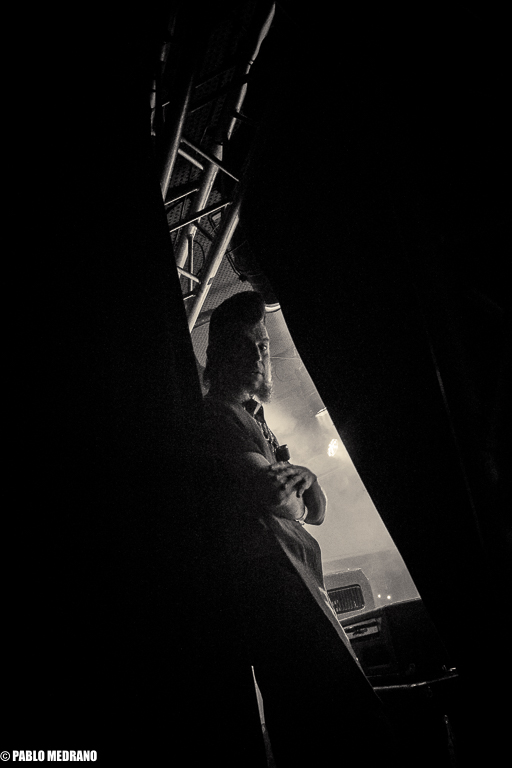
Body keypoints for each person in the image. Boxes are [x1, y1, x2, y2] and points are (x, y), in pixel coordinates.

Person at [199, 291, 403, 767]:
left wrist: (307, 478)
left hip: (297, 591)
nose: (259, 356)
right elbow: (278, 497)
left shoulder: (255, 420)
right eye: (246, 345)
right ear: (221, 355)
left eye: (264, 345)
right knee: (325, 726)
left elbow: (317, 511)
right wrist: (299, 487)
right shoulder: (218, 417)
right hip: (277, 598)